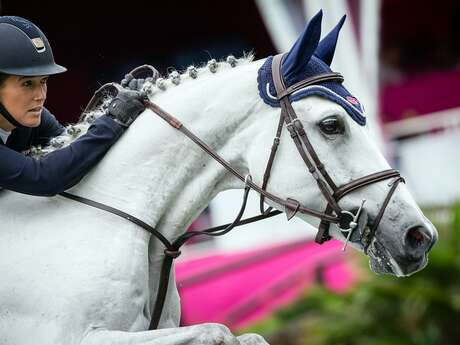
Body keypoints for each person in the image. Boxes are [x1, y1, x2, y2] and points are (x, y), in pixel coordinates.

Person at [0, 16, 146, 196]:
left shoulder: (33, 117)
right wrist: (114, 119)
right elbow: (45, 178)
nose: (41, 96)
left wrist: (120, 107)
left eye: (43, 81)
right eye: (27, 84)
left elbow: (76, 154)